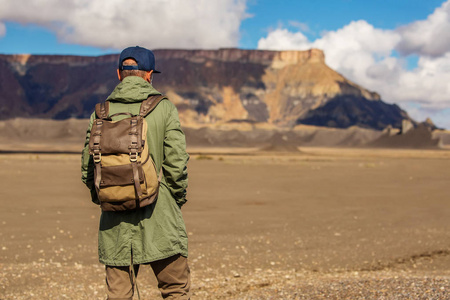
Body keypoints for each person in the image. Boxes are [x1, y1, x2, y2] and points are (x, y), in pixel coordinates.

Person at [81, 46, 190, 299]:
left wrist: (106, 197)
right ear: (150, 74)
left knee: (119, 294)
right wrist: (174, 200)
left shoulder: (100, 112)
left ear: (119, 74)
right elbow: (176, 162)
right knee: (174, 289)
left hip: (113, 218)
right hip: (158, 211)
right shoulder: (164, 108)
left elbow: (87, 167)